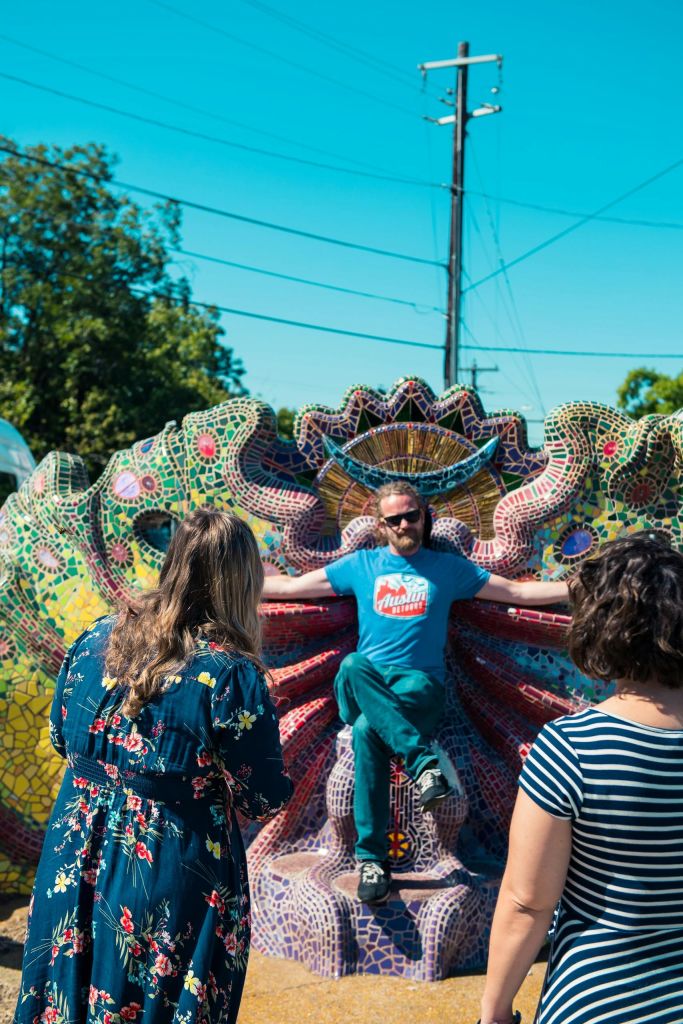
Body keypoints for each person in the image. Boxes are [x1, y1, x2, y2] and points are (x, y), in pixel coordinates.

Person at [14, 508, 293, 1024]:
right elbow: (264, 797)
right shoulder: (230, 676)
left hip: (72, 856)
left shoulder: (96, 637)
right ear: (243, 580)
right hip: (168, 874)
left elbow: (60, 736)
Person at [262, 481, 567, 904]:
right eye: (395, 519)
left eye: (412, 515)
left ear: (424, 517)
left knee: (370, 730)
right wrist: (226, 584)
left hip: (418, 689)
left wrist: (582, 588)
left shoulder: (447, 569)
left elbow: (516, 592)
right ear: (381, 526)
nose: (405, 524)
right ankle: (423, 764)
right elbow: (290, 589)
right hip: (365, 683)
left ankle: (371, 861)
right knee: (352, 665)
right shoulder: (360, 565)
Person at [478, 533, 683, 1024]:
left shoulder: (572, 747)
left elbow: (527, 903)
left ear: (601, 625)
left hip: (600, 999)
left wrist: (495, 1011)